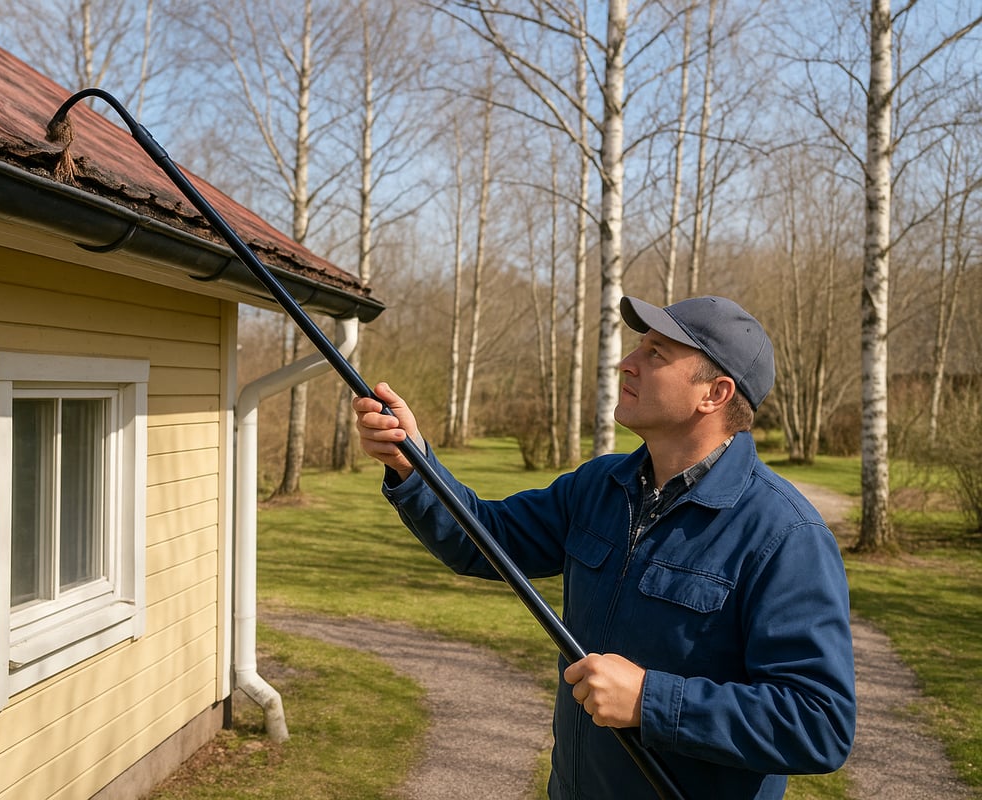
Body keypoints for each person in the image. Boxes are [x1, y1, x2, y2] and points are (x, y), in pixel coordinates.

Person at [353, 295, 855, 800]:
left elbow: (819, 723)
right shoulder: (599, 486)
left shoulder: (785, 535)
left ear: (715, 393)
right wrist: (414, 466)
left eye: (656, 353)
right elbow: (485, 539)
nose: (627, 363)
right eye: (639, 347)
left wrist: (649, 701)